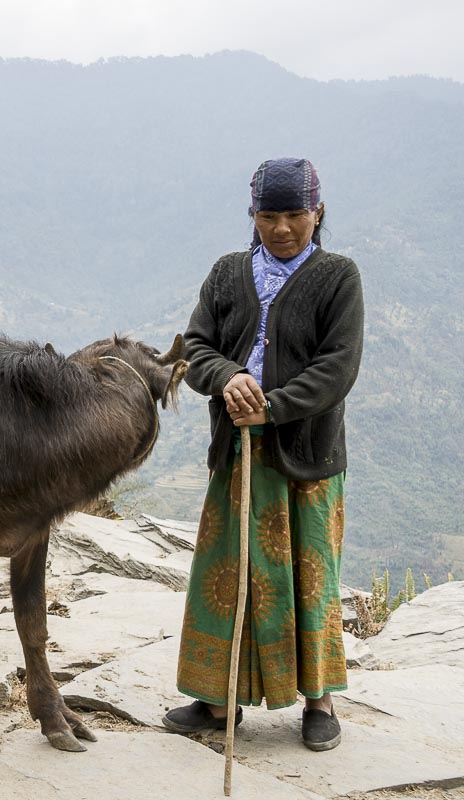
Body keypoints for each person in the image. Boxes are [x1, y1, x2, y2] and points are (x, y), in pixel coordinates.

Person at [162, 157, 365, 751]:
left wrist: (272, 407)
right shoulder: (227, 274)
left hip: (307, 459)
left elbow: (338, 367)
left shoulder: (338, 277)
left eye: (294, 215)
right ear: (251, 215)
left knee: (309, 577)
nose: (281, 228)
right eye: (268, 215)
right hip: (236, 453)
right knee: (229, 574)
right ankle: (216, 698)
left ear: (317, 213)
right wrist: (228, 378)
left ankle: (319, 701)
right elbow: (195, 347)